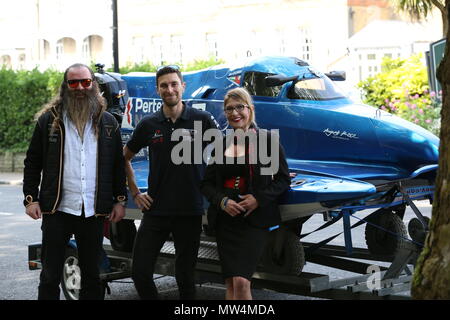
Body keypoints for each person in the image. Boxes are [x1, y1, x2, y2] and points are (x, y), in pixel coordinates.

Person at [23, 63, 128, 300]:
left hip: (92, 211)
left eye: (85, 82)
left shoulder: (109, 122)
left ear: (93, 84)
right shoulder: (48, 121)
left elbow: (117, 165)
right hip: (57, 209)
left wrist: (120, 200)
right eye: (73, 83)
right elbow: (32, 162)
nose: (80, 87)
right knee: (49, 274)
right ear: (65, 86)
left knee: (93, 274)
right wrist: (30, 199)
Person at [124, 65, 219, 300]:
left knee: (185, 276)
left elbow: (227, 154)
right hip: (156, 209)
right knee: (140, 272)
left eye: (174, 84)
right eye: (164, 85)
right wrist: (135, 193)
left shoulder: (202, 119)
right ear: (158, 90)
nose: (170, 89)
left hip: (190, 209)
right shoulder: (148, 124)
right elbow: (124, 158)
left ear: (183, 86)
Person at [200, 87, 291, 300]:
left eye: (240, 107)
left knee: (241, 282)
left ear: (250, 109)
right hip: (226, 221)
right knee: (231, 284)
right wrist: (222, 201)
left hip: (253, 221)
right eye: (229, 109)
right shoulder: (221, 144)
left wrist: (258, 199)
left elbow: (283, 179)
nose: (234, 113)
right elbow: (206, 184)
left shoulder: (268, 141)